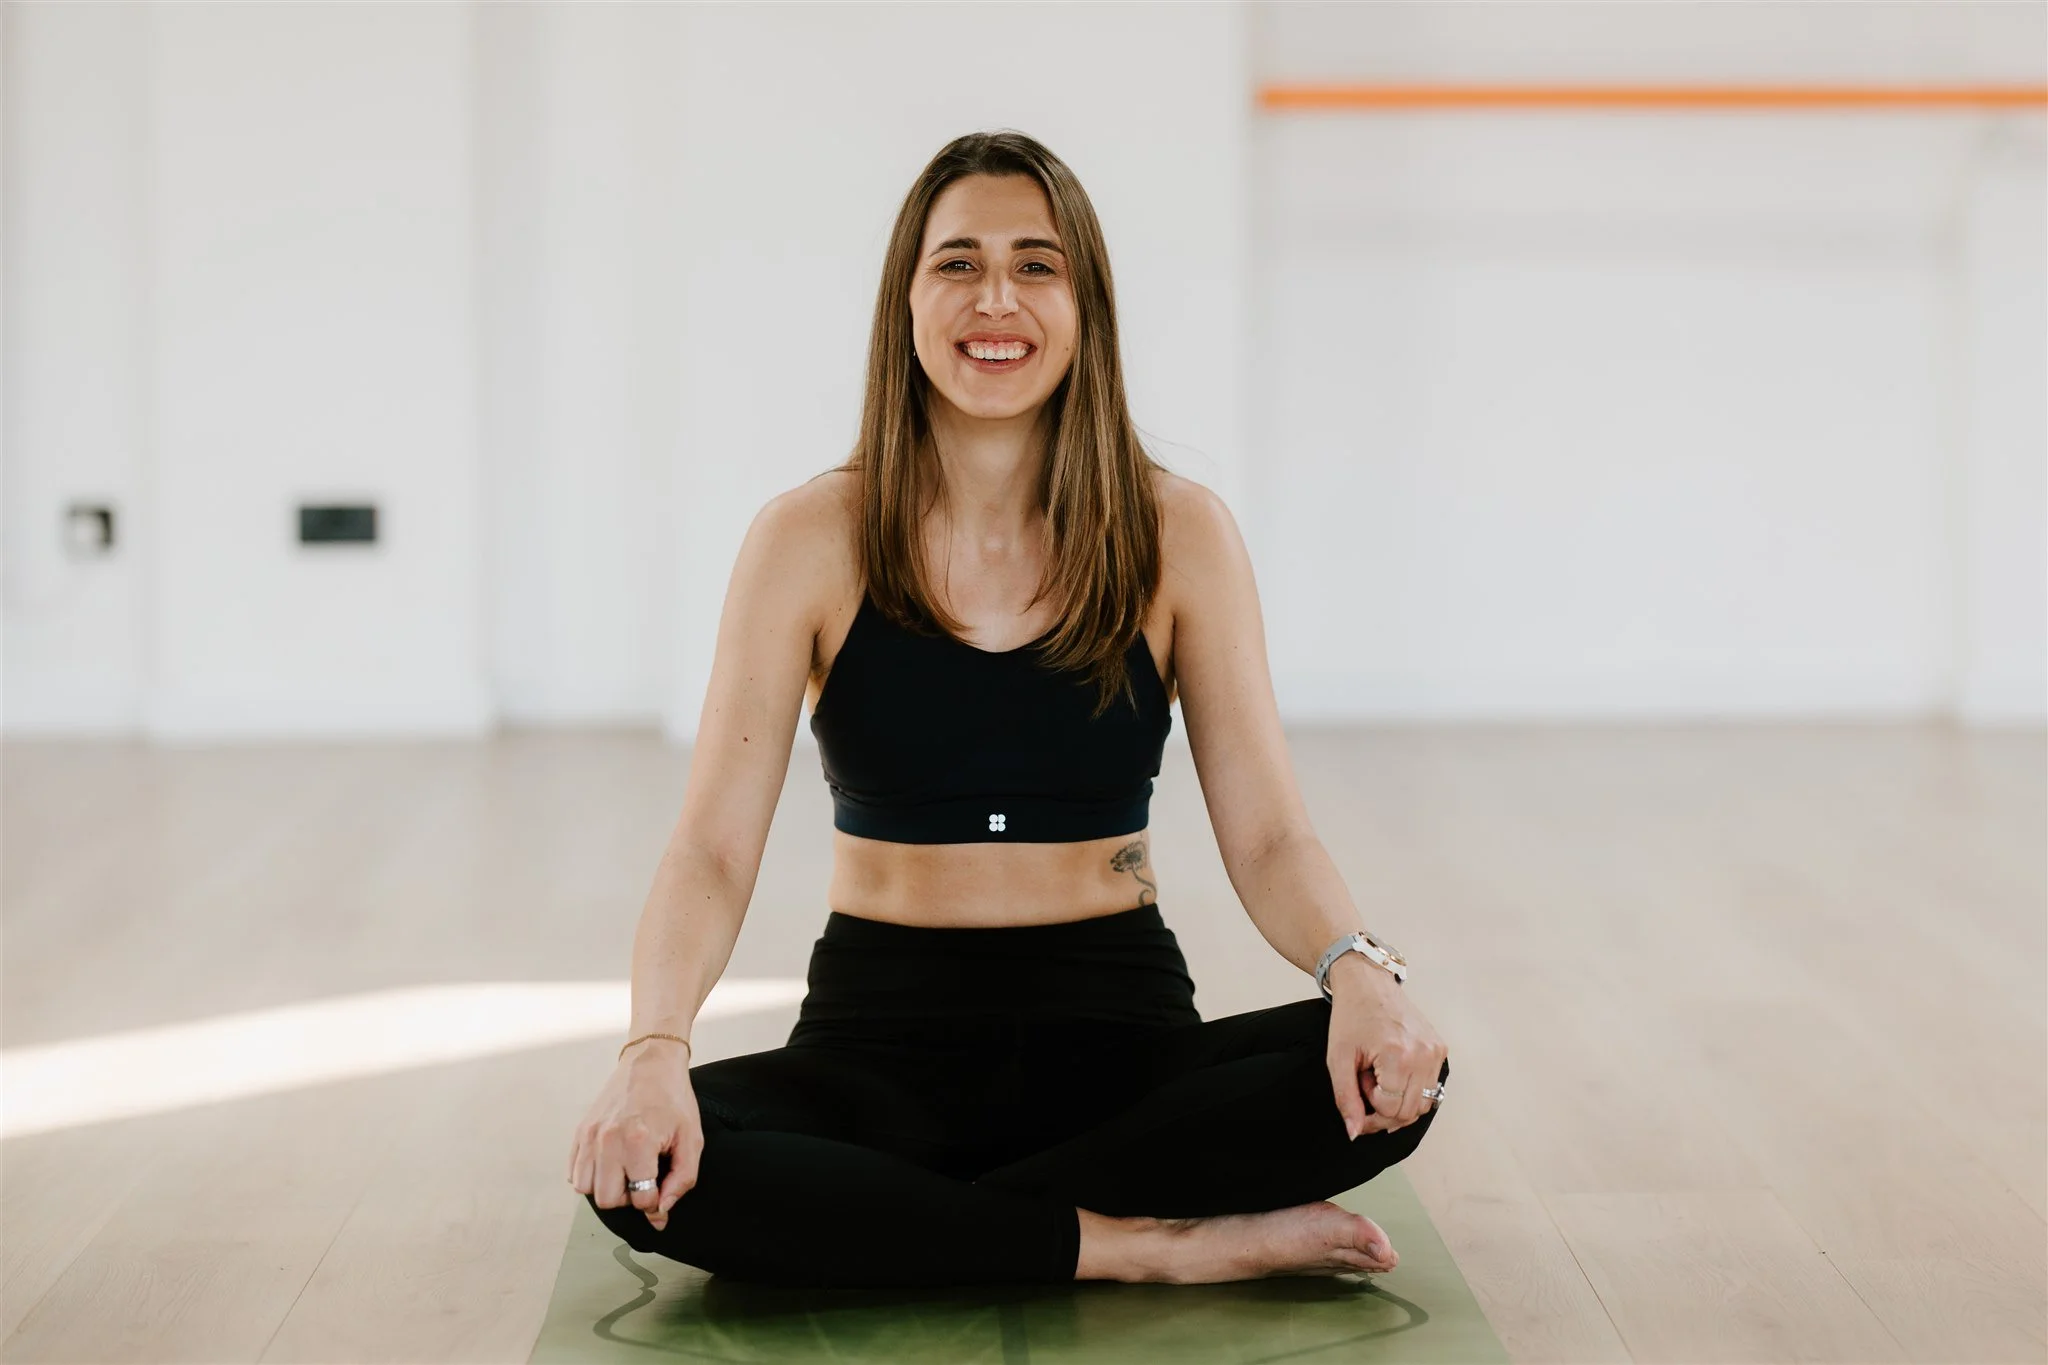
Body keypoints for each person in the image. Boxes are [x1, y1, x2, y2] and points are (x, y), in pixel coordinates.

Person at [566, 129, 1451, 1289]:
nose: (997, 299)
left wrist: (1364, 981)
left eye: (1036, 265)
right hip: (876, 1038)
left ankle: (924, 1228)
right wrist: (652, 1049)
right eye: (958, 264)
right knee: (647, 1176)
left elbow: (1270, 833)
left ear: (1084, 303)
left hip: (1116, 1037)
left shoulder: (1177, 533)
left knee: (1395, 1082)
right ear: (907, 299)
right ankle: (1135, 1244)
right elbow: (713, 848)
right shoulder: (807, 540)